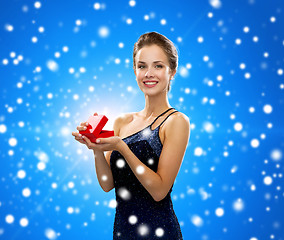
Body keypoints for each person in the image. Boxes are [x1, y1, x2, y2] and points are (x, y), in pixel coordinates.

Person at [72, 32, 190, 239]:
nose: (149, 73)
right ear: (134, 71)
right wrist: (96, 150)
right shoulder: (122, 122)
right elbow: (107, 184)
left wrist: (121, 147)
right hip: (123, 232)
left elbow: (159, 191)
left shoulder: (176, 122)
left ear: (172, 71)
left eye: (158, 66)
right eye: (142, 66)